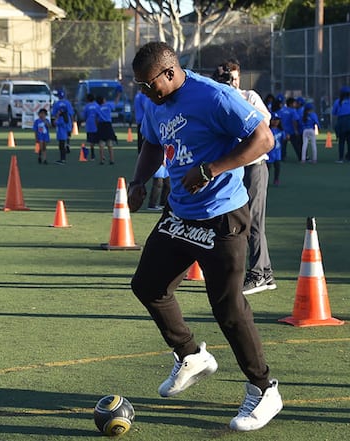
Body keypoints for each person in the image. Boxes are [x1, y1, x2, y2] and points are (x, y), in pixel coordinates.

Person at [128, 42, 282, 432]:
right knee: (148, 285)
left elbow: (264, 140)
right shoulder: (152, 101)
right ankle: (190, 354)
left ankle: (264, 390)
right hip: (180, 212)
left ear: (169, 73)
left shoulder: (214, 96)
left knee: (228, 309)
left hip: (223, 215)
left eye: (149, 86)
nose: (145, 94)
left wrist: (212, 168)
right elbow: (151, 141)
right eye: (140, 88)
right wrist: (139, 180)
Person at [214, 59, 276, 296]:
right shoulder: (219, 99)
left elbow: (263, 122)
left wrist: (235, 97)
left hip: (254, 166)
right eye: (229, 79)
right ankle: (264, 272)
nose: (233, 83)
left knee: (255, 221)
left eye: (236, 78)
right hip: (235, 168)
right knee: (236, 221)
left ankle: (259, 273)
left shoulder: (249, 96)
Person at [276, 97, 301, 161]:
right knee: (296, 145)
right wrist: (296, 130)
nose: (295, 104)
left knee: (283, 145)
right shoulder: (293, 111)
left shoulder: (282, 110)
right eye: (294, 103)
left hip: (284, 131)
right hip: (291, 131)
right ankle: (300, 157)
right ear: (291, 104)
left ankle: (282, 157)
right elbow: (294, 121)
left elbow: (278, 119)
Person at [51, 88, 74, 153]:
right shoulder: (67, 103)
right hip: (67, 120)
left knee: (61, 134)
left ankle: (63, 146)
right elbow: (71, 113)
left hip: (60, 121)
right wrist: (72, 122)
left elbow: (54, 114)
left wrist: (55, 120)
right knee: (68, 133)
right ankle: (68, 144)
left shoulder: (56, 103)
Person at [331, 86, 350, 163]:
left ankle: (341, 158)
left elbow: (334, 113)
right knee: (349, 141)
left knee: (341, 141)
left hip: (341, 122)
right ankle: (349, 158)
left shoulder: (337, 101)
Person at [96, 95, 116, 165]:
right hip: (108, 125)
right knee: (109, 143)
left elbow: (96, 118)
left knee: (101, 143)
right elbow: (115, 104)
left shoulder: (98, 108)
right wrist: (118, 95)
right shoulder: (108, 106)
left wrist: (97, 126)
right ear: (103, 100)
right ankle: (111, 159)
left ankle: (102, 160)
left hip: (101, 125)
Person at [267, 113, 285, 185]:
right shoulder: (268, 130)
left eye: (277, 120)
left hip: (277, 152)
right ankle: (265, 180)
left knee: (277, 167)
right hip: (269, 152)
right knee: (268, 167)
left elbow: (283, 140)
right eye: (274, 120)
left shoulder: (280, 130)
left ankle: (276, 179)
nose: (276, 122)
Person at [83, 93, 99, 160]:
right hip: (97, 125)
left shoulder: (87, 106)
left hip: (90, 125)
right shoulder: (97, 105)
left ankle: (92, 155)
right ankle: (102, 155)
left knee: (91, 141)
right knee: (100, 141)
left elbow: (84, 116)